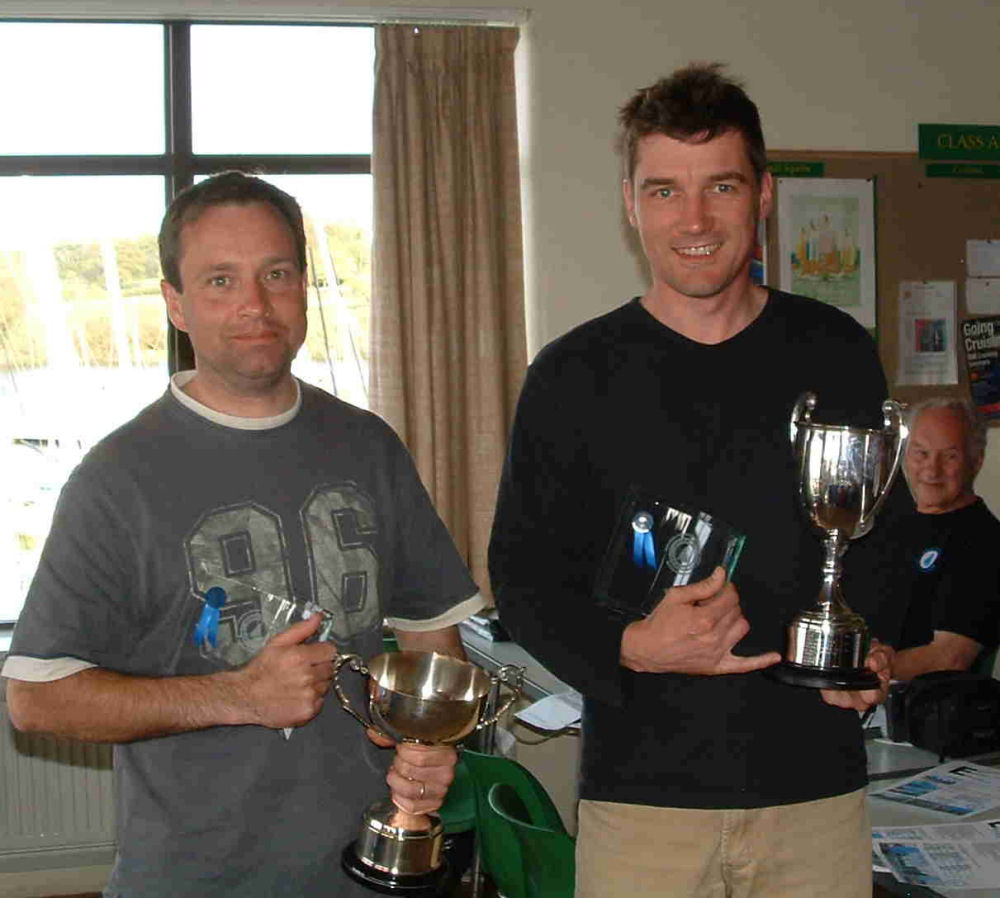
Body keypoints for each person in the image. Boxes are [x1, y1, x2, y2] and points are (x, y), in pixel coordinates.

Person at [489, 63, 913, 898]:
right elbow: (524, 577)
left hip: (814, 794)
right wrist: (625, 647)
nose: (693, 219)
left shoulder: (835, 348)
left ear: (762, 195)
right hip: (643, 802)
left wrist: (878, 644)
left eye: (720, 186)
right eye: (663, 191)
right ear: (629, 201)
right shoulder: (572, 374)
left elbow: (883, 534)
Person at [2, 172, 486, 897]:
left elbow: (430, 638)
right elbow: (36, 698)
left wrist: (425, 743)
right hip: (193, 875)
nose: (255, 304)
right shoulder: (117, 479)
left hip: (367, 868)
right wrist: (238, 698)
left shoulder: (369, 447)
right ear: (175, 303)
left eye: (276, 274)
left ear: (302, 287)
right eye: (220, 280)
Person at [890, 398, 1000, 680]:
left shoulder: (984, 542)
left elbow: (949, 658)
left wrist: (852, 674)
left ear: (976, 460)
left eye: (950, 456)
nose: (931, 470)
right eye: (921, 453)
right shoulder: (887, 525)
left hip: (929, 713)